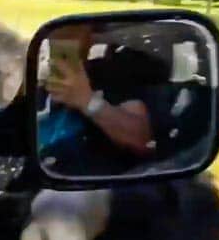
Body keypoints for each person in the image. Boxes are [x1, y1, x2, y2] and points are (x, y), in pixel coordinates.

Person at [36, 22, 172, 175]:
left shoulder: (115, 76)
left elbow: (141, 139)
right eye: (57, 32)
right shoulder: (38, 85)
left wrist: (87, 101)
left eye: (72, 32)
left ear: (90, 37)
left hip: (89, 186)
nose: (64, 38)